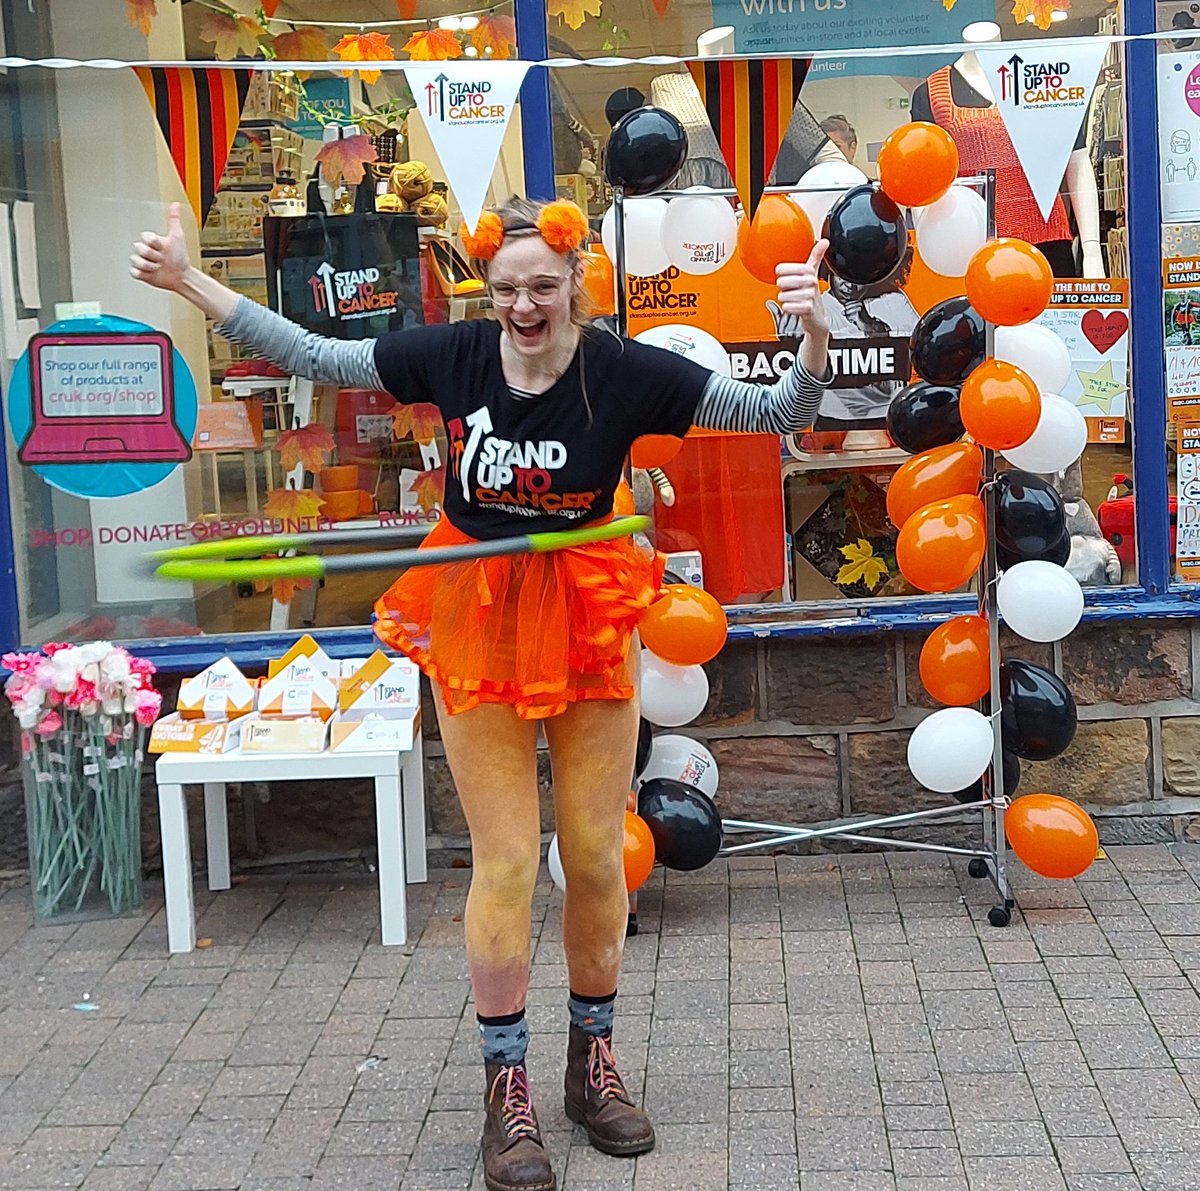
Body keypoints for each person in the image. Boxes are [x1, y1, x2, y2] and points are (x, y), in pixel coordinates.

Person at [131, 197, 831, 1191]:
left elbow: (774, 416)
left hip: (584, 603)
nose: (524, 306)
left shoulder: (622, 371)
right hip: (478, 608)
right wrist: (190, 284)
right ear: (487, 289)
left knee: (593, 855)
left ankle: (592, 1066)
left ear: (575, 282)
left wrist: (811, 331)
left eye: (543, 287)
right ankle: (505, 1089)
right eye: (506, 290)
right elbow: (320, 356)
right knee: (505, 860)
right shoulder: (456, 356)